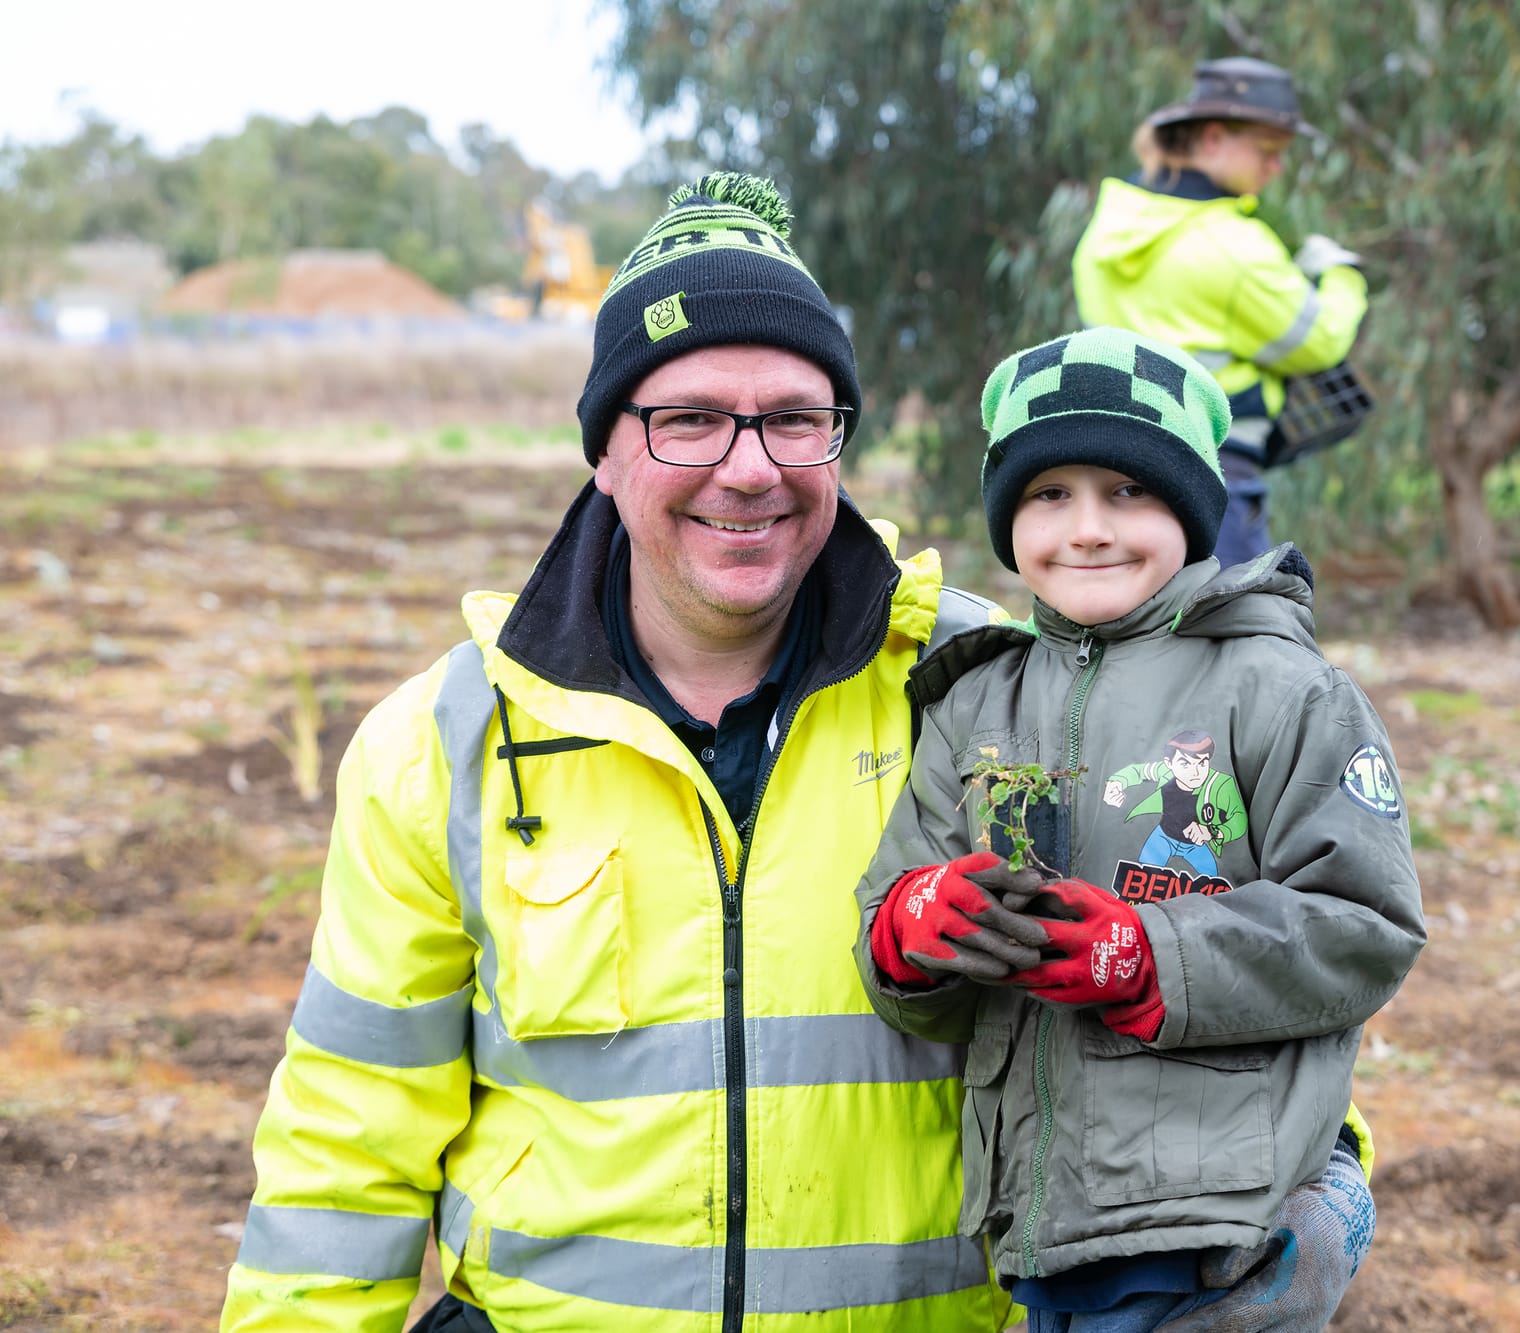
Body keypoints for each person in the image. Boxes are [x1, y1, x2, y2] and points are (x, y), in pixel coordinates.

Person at [219, 173, 1015, 1332]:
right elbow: (348, 1135)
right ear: (605, 450)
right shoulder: (444, 744)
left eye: (794, 417)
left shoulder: (990, 690)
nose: (748, 468)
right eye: (687, 418)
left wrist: (1301, 1180)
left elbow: (1180, 940)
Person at [854, 327, 1427, 1331]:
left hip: (1213, 1229)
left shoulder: (1277, 686)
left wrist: (1150, 955)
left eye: (1128, 491)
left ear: (1192, 508)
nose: (1086, 529)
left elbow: (1362, 925)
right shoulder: (971, 701)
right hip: (1038, 1224)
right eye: (1048, 494)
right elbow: (908, 964)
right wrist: (913, 935)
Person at [1071, 56, 1369, 567]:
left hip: (1112, 462)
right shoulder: (1235, 245)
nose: (1276, 167)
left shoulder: (1105, 230)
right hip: (1214, 467)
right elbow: (1318, 340)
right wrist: (1343, 276)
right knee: (1227, 627)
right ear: (1212, 138)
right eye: (1268, 151)